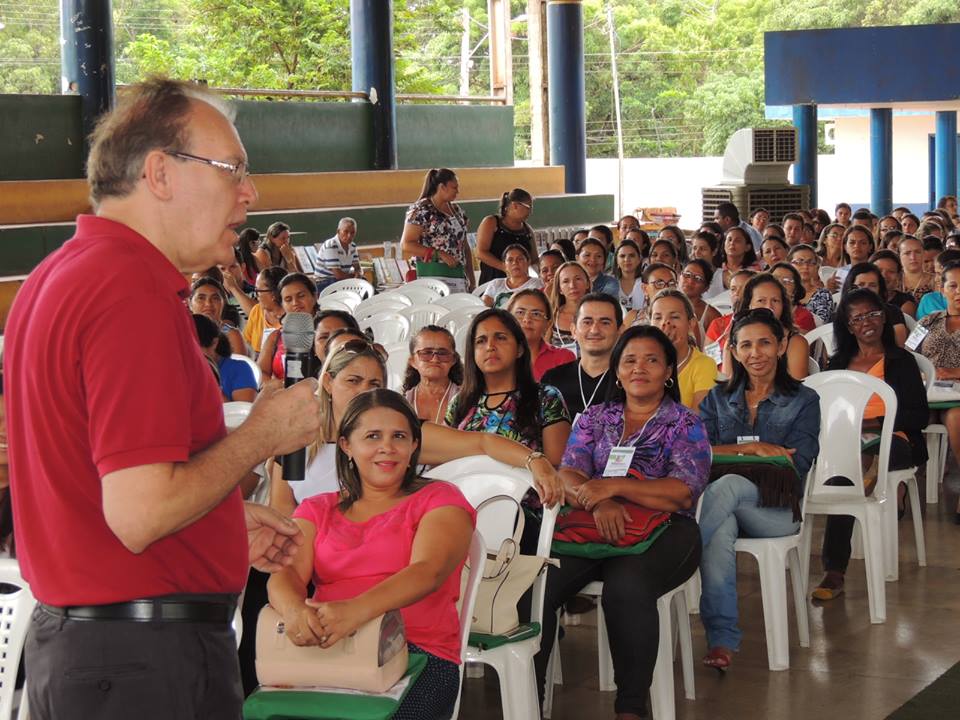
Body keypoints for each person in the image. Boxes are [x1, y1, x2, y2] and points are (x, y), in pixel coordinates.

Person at [3, 77, 321, 719]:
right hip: (142, 665)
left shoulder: (57, 275)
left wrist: (215, 525)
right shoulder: (127, 290)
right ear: (160, 173)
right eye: (233, 169)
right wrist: (264, 434)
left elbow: (98, 494)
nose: (249, 192)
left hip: (91, 648)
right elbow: (141, 512)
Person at [268, 389, 476, 720]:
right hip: (328, 651)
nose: (387, 447)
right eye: (372, 436)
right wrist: (294, 610)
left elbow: (428, 570)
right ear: (347, 445)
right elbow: (286, 573)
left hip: (415, 654)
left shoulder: (440, 498)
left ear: (414, 447)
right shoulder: (318, 508)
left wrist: (356, 612)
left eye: (399, 437)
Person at [534, 325, 709, 718]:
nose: (639, 368)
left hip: (668, 529)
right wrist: (598, 503)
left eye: (651, 360)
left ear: (668, 371)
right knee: (541, 586)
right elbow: (568, 473)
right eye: (629, 360)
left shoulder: (684, 423)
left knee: (625, 588)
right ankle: (529, 698)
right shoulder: (595, 417)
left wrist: (614, 488)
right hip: (596, 525)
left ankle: (630, 708)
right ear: (617, 370)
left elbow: (683, 491)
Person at [270, 339, 562, 518]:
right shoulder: (300, 439)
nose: (363, 392)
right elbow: (283, 507)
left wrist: (535, 461)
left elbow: (482, 443)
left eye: (373, 384)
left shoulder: (398, 437)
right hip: (307, 554)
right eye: (353, 380)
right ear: (328, 383)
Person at [698, 309, 821, 670]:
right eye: (746, 345)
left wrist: (727, 460)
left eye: (765, 343)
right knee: (720, 527)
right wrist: (750, 450)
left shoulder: (804, 400)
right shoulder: (717, 399)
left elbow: (796, 464)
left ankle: (678, 551)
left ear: (782, 345)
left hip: (777, 510)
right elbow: (696, 457)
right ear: (733, 351)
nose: (756, 353)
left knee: (730, 484)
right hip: (726, 507)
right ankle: (721, 641)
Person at [811, 289, 928, 601]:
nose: (868, 322)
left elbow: (919, 415)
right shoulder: (837, 363)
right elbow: (823, 409)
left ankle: (836, 566)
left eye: (873, 314)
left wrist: (874, 424)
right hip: (846, 442)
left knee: (847, 467)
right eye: (858, 318)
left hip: (895, 439)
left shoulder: (902, 361)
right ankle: (834, 570)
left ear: (885, 317)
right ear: (849, 326)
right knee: (841, 468)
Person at [446, 310, 571, 470]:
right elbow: (443, 457)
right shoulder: (460, 401)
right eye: (481, 341)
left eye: (500, 338)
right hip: (465, 491)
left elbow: (557, 467)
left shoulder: (546, 397)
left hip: (527, 492)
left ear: (519, 349)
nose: (490, 346)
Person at [917, 260, 960, 521]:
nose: (959, 292)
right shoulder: (927, 320)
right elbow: (907, 355)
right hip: (927, 392)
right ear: (942, 289)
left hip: (956, 398)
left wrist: (954, 373)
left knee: (956, 417)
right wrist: (923, 372)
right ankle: (898, 488)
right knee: (904, 414)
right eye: (953, 285)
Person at [542, 293, 622, 420]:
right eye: (587, 322)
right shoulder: (553, 380)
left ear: (620, 331)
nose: (595, 330)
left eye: (605, 322)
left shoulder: (629, 381)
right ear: (573, 330)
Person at [721, 273, 809, 380]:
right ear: (749, 304)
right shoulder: (734, 341)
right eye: (761, 300)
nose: (769, 307)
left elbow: (796, 391)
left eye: (775, 301)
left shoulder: (796, 342)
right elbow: (727, 385)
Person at [401, 168, 475, 293]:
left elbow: (464, 245)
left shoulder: (456, 210)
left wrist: (471, 279)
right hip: (432, 277)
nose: (458, 191)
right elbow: (406, 244)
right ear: (442, 187)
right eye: (454, 187)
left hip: (457, 277)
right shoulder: (421, 210)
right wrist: (439, 254)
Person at [649, 290, 717, 411]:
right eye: (658, 317)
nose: (665, 323)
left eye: (674, 317)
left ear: (691, 324)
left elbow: (696, 422)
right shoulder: (642, 364)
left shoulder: (703, 365)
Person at [259, 272, 319, 382]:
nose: (295, 303)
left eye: (301, 296)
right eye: (288, 299)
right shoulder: (276, 337)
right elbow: (261, 372)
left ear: (315, 296)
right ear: (282, 305)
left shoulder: (326, 332)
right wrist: (277, 387)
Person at [506, 289, 575, 380]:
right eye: (520, 313)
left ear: (548, 324)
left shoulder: (563, 358)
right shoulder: (495, 356)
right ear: (507, 318)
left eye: (536, 314)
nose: (527, 319)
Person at [476, 188, 537, 285]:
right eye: (528, 207)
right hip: (492, 282)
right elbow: (480, 252)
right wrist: (505, 267)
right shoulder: (491, 222)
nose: (530, 212)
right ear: (515, 205)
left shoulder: (528, 230)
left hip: (519, 284)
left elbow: (534, 259)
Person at [403, 325, 462, 424]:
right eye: (426, 353)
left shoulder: (466, 400)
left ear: (453, 360)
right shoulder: (403, 402)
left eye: (442, 353)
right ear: (412, 361)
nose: (435, 359)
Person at [840, 263, 910, 346]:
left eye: (872, 285)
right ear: (850, 287)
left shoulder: (892, 312)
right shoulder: (842, 313)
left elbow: (899, 345)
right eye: (861, 285)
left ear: (879, 289)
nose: (866, 289)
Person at [193, 314, 257, 402]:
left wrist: (209, 380)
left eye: (193, 351)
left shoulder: (238, 369)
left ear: (214, 344)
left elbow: (242, 413)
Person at [189, 276, 247, 355]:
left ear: (223, 303)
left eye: (215, 298)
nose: (208, 304)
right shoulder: (183, 332)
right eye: (201, 298)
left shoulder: (231, 335)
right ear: (190, 303)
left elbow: (238, 367)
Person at [705, 269, 755, 352]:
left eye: (744, 288)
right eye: (733, 289)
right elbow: (709, 359)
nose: (737, 293)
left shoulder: (763, 323)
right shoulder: (718, 325)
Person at [547, 261, 591, 353]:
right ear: (560, 289)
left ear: (587, 283)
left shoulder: (598, 313)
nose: (572, 286)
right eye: (566, 281)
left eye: (578, 279)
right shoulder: (552, 315)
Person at [242, 265, 286, 356]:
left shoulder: (293, 318)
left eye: (258, 291)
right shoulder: (257, 311)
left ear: (273, 294)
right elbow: (246, 344)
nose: (256, 295)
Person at [481, 243, 543, 308]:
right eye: (510, 260)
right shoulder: (496, 284)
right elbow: (483, 308)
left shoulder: (537, 284)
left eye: (520, 259)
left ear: (528, 262)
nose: (515, 263)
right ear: (504, 264)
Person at [789, 243, 834, 324]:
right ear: (789, 265)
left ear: (816, 266)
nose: (805, 266)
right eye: (800, 262)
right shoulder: (782, 293)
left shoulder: (823, 294)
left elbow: (821, 325)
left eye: (810, 262)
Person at [622, 263, 678, 327]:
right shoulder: (633, 317)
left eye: (671, 283)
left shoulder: (683, 317)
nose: (666, 288)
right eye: (659, 284)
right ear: (645, 289)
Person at [315, 217, 362, 291]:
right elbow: (338, 275)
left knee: (365, 284)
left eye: (352, 232)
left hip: (341, 280)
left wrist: (358, 273)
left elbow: (357, 267)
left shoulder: (352, 246)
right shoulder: (330, 245)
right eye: (345, 232)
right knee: (352, 290)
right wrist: (354, 276)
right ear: (338, 231)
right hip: (325, 282)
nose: (349, 235)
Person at [679, 258, 721, 343]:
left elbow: (715, 350)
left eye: (698, 278)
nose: (690, 281)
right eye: (687, 274)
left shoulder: (711, 315)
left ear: (706, 288)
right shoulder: (667, 303)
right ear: (679, 276)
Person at [869, 249, 917, 318]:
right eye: (879, 270)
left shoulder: (906, 303)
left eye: (891, 271)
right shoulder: (859, 298)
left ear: (899, 276)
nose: (883, 275)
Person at [770, 262, 816, 332]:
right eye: (775, 279)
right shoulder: (760, 312)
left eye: (786, 281)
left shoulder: (804, 317)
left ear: (795, 290)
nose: (779, 284)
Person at [899, 234, 935, 304]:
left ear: (924, 254)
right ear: (899, 256)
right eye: (907, 253)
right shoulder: (893, 281)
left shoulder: (936, 281)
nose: (913, 257)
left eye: (917, 252)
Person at [690, 230, 725, 299]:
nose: (697, 252)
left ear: (714, 251)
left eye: (702, 249)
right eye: (694, 248)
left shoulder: (722, 276)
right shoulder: (685, 275)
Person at [614, 238, 644, 311]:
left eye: (632, 255)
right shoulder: (610, 283)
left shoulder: (647, 282)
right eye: (622, 256)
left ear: (639, 259)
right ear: (616, 260)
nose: (627, 259)